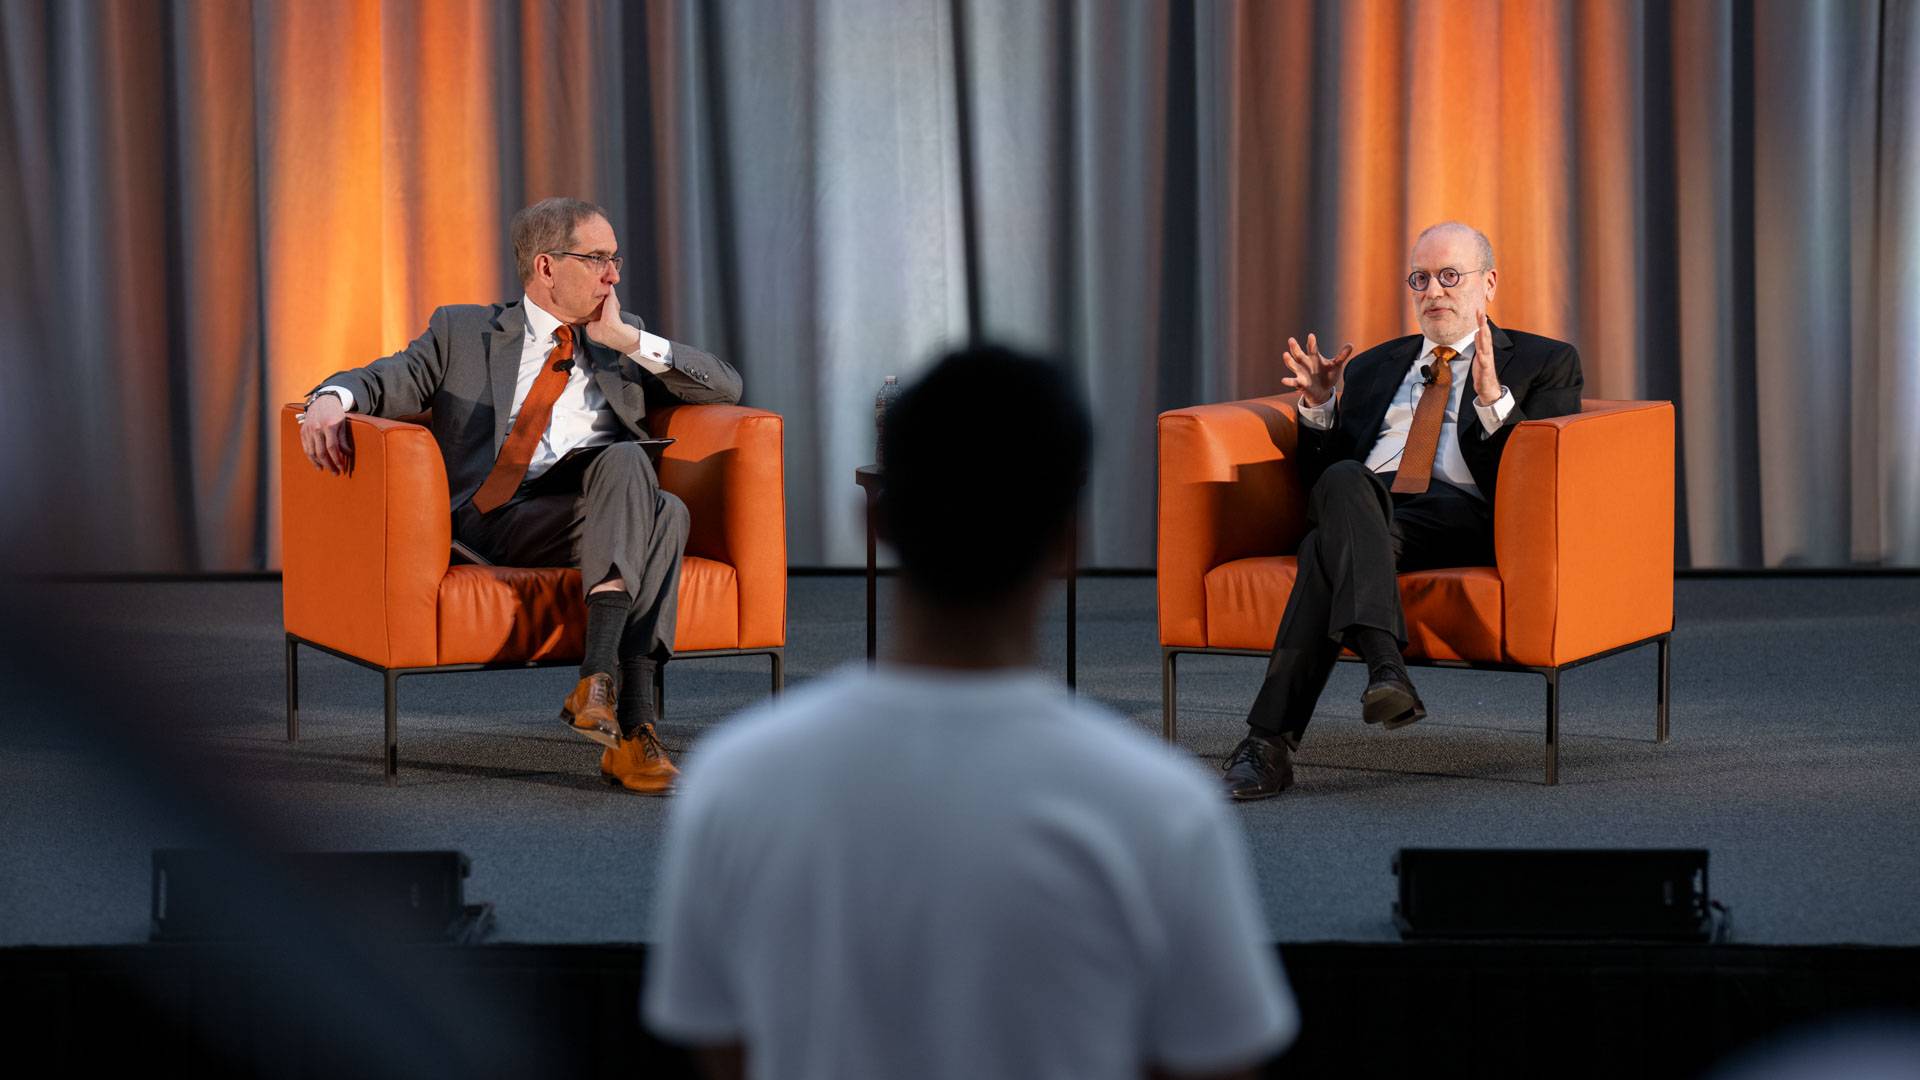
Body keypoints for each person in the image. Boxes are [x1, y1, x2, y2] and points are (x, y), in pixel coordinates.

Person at [645, 346, 1296, 1080]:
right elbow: (1213, 1061)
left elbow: (723, 1052)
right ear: (1070, 544)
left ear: (876, 526)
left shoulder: (736, 783)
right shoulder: (1163, 808)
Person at [297, 197, 741, 795]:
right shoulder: (463, 331)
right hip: (496, 516)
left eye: (616, 260)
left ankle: (611, 703)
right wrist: (330, 397)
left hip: (598, 509)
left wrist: (632, 340)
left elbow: (726, 385)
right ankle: (629, 720)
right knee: (657, 500)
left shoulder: (618, 338)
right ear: (546, 266)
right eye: (598, 259)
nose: (613, 275)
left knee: (655, 493)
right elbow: (386, 378)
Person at [1223, 222, 1585, 800]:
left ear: (1488, 283)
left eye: (1450, 276)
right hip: (1371, 506)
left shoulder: (1545, 361)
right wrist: (1318, 409)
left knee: (1326, 548)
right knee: (1341, 491)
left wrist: (1494, 401)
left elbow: (1536, 483)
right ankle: (1385, 672)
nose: (1433, 292)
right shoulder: (1371, 367)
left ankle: (1270, 742)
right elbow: (1323, 487)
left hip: (1462, 512)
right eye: (1421, 278)